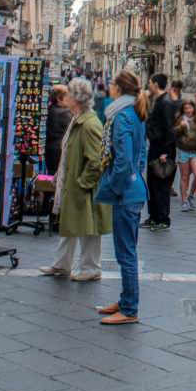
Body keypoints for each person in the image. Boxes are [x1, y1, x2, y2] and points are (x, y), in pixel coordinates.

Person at [39, 78, 112, 282]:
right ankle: (63, 264)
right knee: (70, 223)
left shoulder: (89, 124)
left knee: (88, 226)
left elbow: (95, 159)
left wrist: (82, 182)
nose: (66, 98)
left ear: (78, 99)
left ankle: (91, 267)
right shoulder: (77, 119)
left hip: (82, 186)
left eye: (69, 94)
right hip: (72, 182)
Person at [94, 70, 149, 325]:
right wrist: (137, 174)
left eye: (112, 83)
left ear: (119, 89)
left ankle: (129, 309)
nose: (109, 86)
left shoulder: (122, 117)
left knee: (125, 253)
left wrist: (116, 186)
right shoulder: (135, 114)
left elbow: (124, 160)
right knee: (128, 251)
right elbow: (143, 153)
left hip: (126, 193)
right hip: (135, 189)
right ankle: (126, 299)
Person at [142, 73, 177, 231]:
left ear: (155, 84)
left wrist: (166, 152)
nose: (148, 84)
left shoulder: (166, 102)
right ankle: (154, 216)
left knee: (160, 183)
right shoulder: (159, 101)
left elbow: (170, 128)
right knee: (152, 182)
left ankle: (163, 218)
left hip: (161, 147)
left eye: (150, 82)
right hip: (155, 145)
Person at [175, 99, 196, 210]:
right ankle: (184, 200)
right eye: (186, 109)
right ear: (183, 110)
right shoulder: (180, 120)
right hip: (183, 150)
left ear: (194, 109)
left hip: (195, 151)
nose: (189, 110)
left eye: (190, 108)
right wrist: (181, 126)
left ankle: (191, 194)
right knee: (184, 176)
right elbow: (173, 133)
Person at [44, 85, 72, 175]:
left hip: (51, 151)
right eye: (66, 96)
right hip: (59, 152)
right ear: (59, 98)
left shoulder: (51, 110)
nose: (68, 99)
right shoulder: (63, 113)